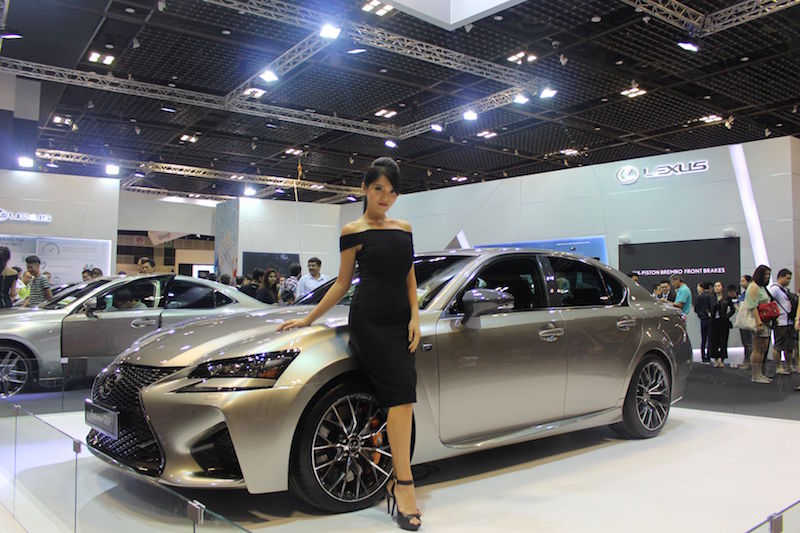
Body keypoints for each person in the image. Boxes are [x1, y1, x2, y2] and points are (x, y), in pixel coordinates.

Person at [278, 157, 422, 531]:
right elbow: (342, 284)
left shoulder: (404, 229)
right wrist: (308, 318)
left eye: (392, 192)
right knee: (400, 400)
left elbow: (409, 278)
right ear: (364, 189)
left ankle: (396, 478)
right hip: (369, 323)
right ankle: (404, 485)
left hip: (399, 324)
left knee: (403, 399)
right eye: (378, 189)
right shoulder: (352, 230)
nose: (385, 197)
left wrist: (415, 317)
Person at [744, 265, 773, 383]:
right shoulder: (754, 286)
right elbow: (753, 306)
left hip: (766, 321)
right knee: (757, 348)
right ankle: (755, 375)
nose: (768, 276)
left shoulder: (762, 287)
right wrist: (758, 322)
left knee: (763, 349)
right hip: (758, 321)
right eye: (766, 274)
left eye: (769, 274)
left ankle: (760, 373)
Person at [768, 268, 795, 375]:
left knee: (789, 346)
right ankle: (779, 367)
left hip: (789, 321)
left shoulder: (785, 290)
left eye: (790, 279)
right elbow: (768, 301)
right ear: (780, 277)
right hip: (780, 322)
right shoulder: (774, 289)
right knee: (779, 345)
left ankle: (789, 366)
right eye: (787, 278)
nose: (789, 281)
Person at [709, 281, 735, 368]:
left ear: (722, 287)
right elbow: (707, 308)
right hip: (713, 323)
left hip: (723, 322)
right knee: (714, 341)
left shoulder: (726, 298)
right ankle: (716, 359)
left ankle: (722, 359)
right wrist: (709, 314)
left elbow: (732, 309)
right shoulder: (711, 298)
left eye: (718, 286)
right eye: (715, 286)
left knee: (723, 341)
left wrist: (726, 316)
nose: (717, 288)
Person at [736, 275, 754, 370]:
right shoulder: (744, 293)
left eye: (743, 281)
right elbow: (737, 304)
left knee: (749, 343)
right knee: (746, 343)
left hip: (748, 321)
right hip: (743, 321)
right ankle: (747, 361)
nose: (741, 283)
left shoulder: (750, 293)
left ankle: (750, 362)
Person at [694, 281, 714, 363]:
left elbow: (696, 309)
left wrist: (701, 314)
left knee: (703, 339)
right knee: (710, 339)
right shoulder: (711, 296)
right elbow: (712, 307)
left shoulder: (699, 297)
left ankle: (703, 356)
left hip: (702, 319)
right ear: (710, 287)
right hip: (710, 319)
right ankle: (708, 356)